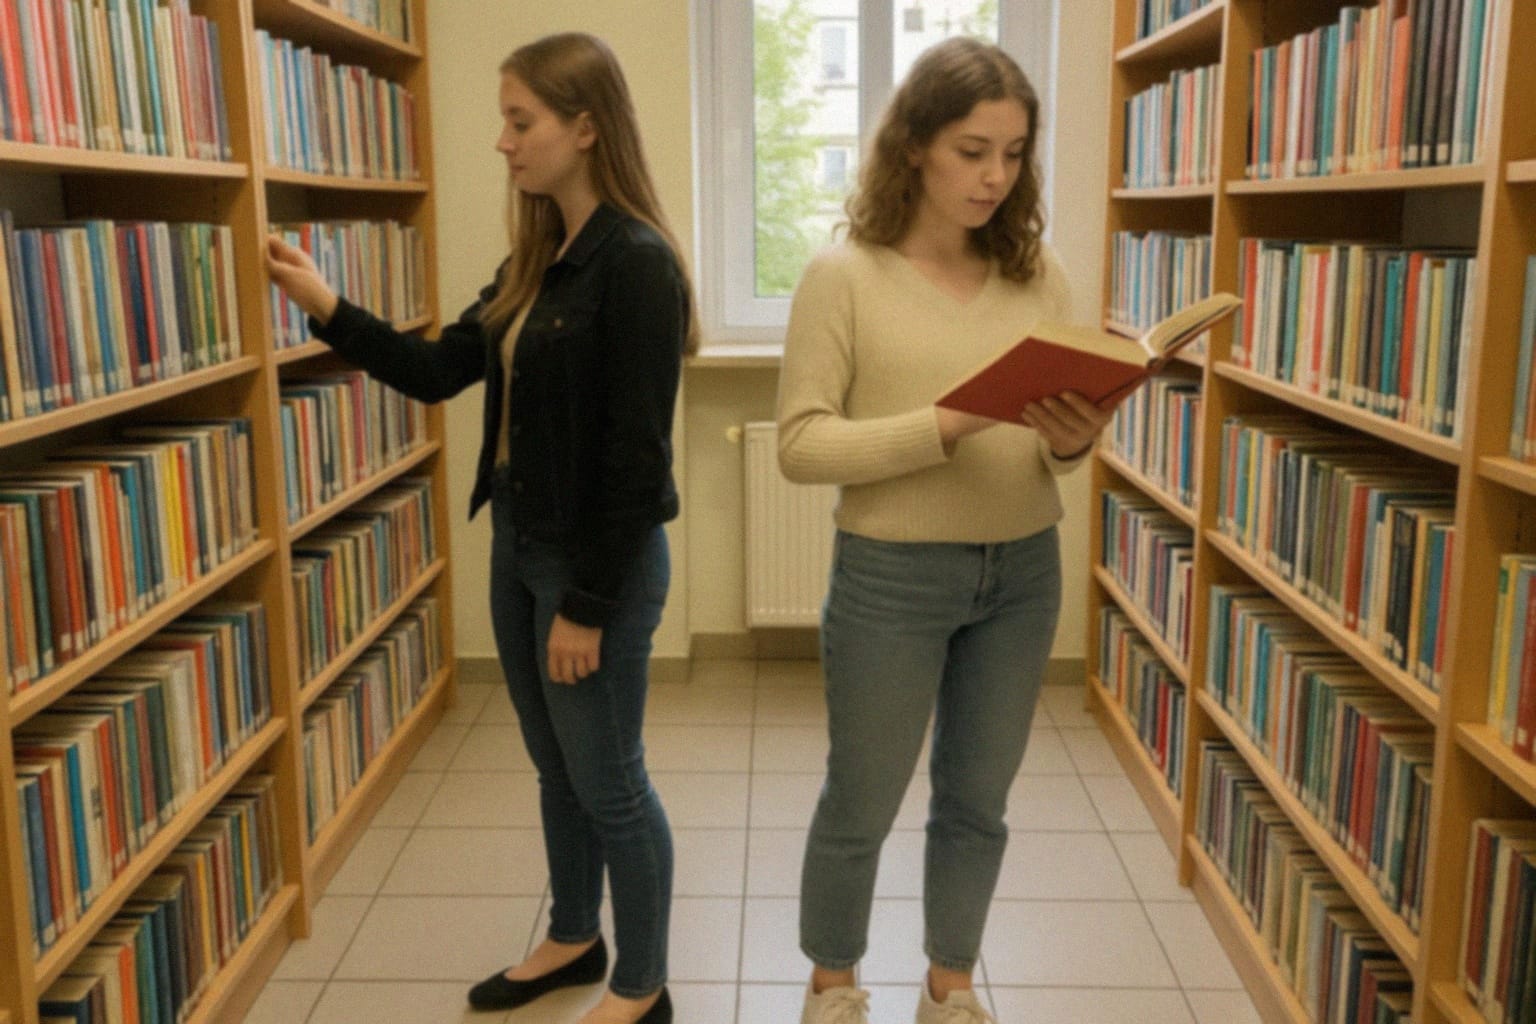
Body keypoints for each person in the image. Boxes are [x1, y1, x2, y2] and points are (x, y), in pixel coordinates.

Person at [265, 31, 690, 1024]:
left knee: (612, 783)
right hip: (518, 547)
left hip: (594, 567)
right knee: (558, 770)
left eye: (519, 120)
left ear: (585, 128)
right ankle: (574, 937)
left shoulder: (636, 263)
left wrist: (587, 604)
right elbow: (436, 370)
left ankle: (643, 987)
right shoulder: (535, 261)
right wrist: (322, 302)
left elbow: (637, 464)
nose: (502, 142)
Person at [777, 36, 1111, 1024]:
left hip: (1023, 570)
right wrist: (945, 424)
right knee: (863, 797)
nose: (994, 176)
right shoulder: (843, 275)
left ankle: (950, 985)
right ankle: (833, 983)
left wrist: (1074, 441)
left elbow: (1053, 445)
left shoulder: (1039, 274)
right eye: (972, 151)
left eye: (1013, 153)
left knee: (978, 802)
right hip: (891, 576)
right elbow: (800, 444)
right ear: (915, 145)